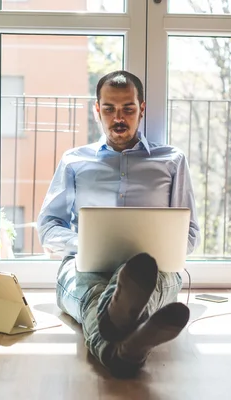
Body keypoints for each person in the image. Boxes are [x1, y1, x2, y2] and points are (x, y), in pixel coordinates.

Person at [37, 70, 200, 378]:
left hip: (155, 270)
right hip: (84, 266)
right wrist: (86, 245)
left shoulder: (172, 160)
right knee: (94, 291)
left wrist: (157, 250)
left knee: (132, 286)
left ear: (142, 109)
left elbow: (190, 233)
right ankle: (130, 343)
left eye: (128, 108)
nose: (118, 117)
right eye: (109, 109)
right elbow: (48, 226)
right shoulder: (74, 161)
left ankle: (118, 347)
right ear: (97, 110)